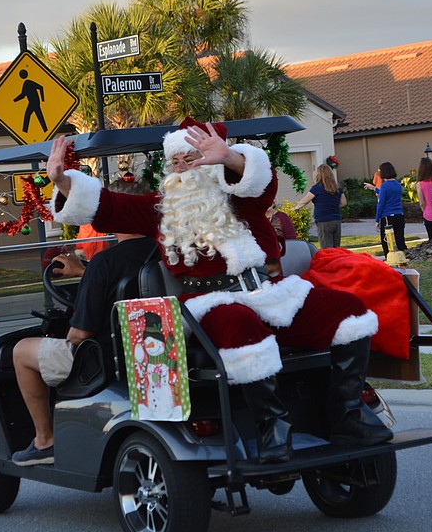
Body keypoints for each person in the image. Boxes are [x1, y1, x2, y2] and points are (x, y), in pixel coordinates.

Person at [47, 117, 392, 463]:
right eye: (176, 162)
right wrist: (62, 182)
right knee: (238, 324)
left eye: (191, 158)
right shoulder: (160, 208)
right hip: (206, 302)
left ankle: (347, 415)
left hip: (265, 292)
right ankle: (271, 425)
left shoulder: (241, 198)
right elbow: (108, 207)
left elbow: (261, 183)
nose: (183, 169)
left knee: (348, 310)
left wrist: (229, 158)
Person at [11, 179, 156, 466]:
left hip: (102, 359)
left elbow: (80, 334)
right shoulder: (167, 253)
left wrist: (64, 334)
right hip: (152, 350)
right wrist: (84, 271)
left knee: (20, 351)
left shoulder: (105, 263)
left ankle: (44, 441)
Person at [293, 164, 347, 249]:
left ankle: (329, 262)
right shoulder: (337, 188)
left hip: (324, 221)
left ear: (319, 174)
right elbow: (344, 202)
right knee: (336, 247)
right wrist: (332, 205)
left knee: (327, 247)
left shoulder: (317, 188)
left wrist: (295, 208)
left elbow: (305, 201)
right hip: (336, 219)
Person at [365, 162, 407, 258]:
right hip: (399, 215)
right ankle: (403, 257)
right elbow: (389, 195)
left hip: (388, 217)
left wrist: (377, 220)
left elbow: (381, 203)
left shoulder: (385, 186)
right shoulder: (397, 184)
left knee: (387, 240)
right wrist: (374, 188)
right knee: (400, 238)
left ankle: (389, 258)